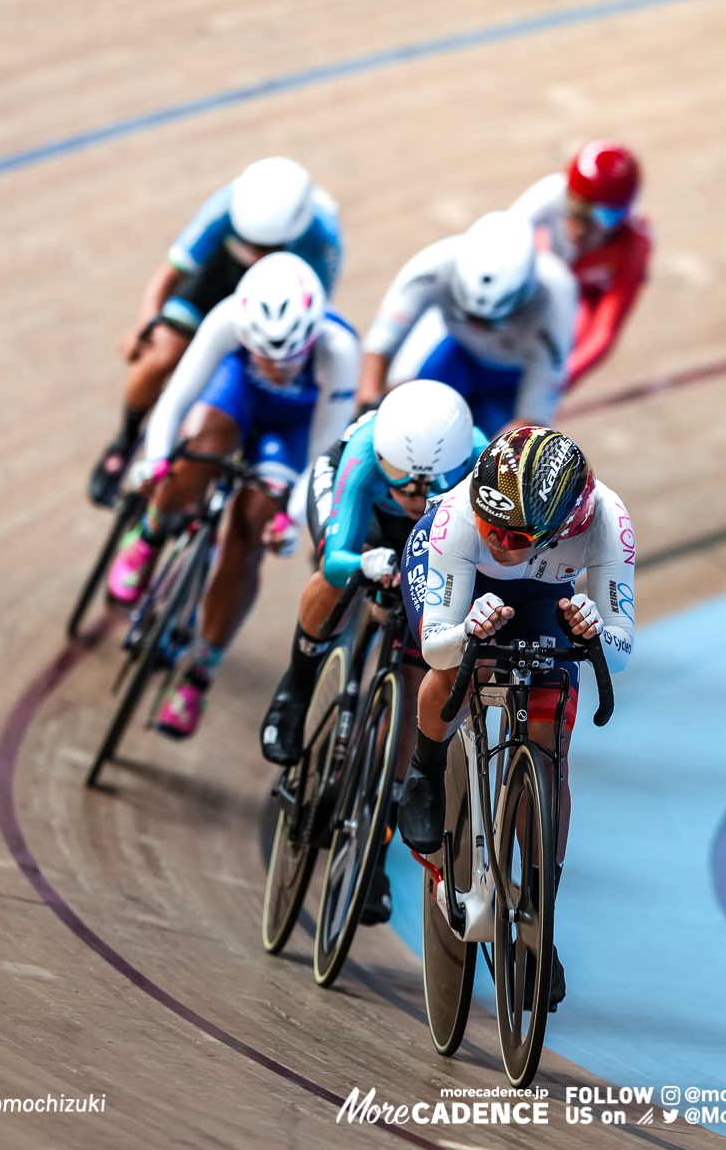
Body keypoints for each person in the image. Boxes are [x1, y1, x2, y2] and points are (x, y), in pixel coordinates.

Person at [395, 426, 636, 1008]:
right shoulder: (459, 518)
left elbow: (622, 648)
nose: (497, 540)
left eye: (515, 534)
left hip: (541, 602)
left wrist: (595, 631)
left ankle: (538, 918)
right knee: (455, 670)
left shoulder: (608, 520)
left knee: (549, 743)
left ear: (562, 528)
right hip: (461, 588)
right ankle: (426, 771)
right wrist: (467, 632)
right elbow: (434, 646)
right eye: (489, 522)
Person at [258, 380, 485, 926]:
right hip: (363, 517)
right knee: (335, 580)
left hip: (439, 534)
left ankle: (373, 857)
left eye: (424, 486)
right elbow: (337, 554)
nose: (411, 492)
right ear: (384, 459)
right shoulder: (362, 457)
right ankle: (297, 685)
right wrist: (362, 563)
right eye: (401, 482)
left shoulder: (478, 468)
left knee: (415, 674)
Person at [105, 252, 358, 739]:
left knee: (249, 534)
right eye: (264, 353)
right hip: (235, 396)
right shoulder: (227, 319)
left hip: (291, 431)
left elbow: (326, 453)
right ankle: (150, 535)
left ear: (311, 338)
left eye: (288, 357)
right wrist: (157, 460)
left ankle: (200, 673)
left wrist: (293, 518)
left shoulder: (339, 349)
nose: (277, 367)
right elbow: (177, 398)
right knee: (197, 448)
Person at [88, 157, 343, 506]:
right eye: (249, 243)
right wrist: (146, 324)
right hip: (216, 284)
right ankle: (126, 436)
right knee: (161, 356)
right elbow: (169, 274)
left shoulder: (324, 239)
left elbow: (308, 315)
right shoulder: (225, 205)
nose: (256, 254)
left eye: (268, 248)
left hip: (270, 302)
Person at [354, 209, 577, 436]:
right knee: (407, 418)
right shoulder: (433, 265)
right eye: (470, 316)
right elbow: (378, 348)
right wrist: (369, 410)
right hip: (459, 356)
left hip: (513, 381)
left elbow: (532, 419)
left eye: (490, 321)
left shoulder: (555, 300)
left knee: (491, 450)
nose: (479, 328)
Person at [509, 139, 652, 390]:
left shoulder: (635, 243)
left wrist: (555, 382)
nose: (583, 227)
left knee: (565, 342)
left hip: (581, 300)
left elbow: (603, 330)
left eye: (603, 217)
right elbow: (499, 241)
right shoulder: (549, 194)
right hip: (544, 272)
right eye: (575, 207)